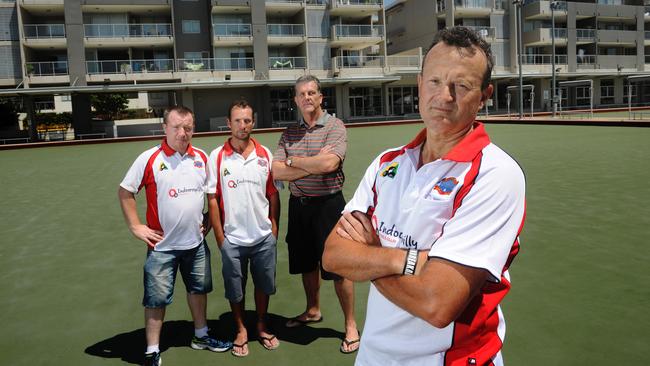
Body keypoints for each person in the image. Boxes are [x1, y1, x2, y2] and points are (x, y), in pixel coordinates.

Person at [323, 26, 526, 365]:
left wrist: (367, 254)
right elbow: (332, 255)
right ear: (419, 83)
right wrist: (406, 259)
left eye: (461, 85)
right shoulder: (387, 163)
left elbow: (436, 303)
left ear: (485, 94)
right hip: (373, 356)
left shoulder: (495, 174)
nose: (444, 96)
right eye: (434, 81)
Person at [118, 106, 232, 366]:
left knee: (198, 290)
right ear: (164, 128)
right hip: (162, 247)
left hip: (196, 243)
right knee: (156, 299)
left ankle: (201, 336)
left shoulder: (201, 157)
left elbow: (212, 196)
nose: (183, 133)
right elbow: (125, 192)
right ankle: (152, 350)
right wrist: (136, 226)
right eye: (177, 127)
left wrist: (208, 223)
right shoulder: (149, 158)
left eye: (188, 128)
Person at [272, 75, 360, 353]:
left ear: (321, 97)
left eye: (312, 93)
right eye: (302, 94)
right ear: (296, 100)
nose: (307, 97)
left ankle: (350, 325)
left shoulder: (335, 127)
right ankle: (313, 310)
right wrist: (314, 164)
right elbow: (276, 171)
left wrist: (294, 161)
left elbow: (331, 162)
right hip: (299, 207)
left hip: (329, 206)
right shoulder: (288, 133)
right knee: (306, 263)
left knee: (339, 267)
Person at [207, 99, 281, 357]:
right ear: (229, 124)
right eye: (237, 121)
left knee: (264, 284)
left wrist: (273, 230)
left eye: (247, 120)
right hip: (232, 239)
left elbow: (273, 195)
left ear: (253, 122)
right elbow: (213, 198)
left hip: (263, 237)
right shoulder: (217, 156)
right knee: (235, 287)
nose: (242, 125)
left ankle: (261, 325)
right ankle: (240, 329)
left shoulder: (265, 154)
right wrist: (220, 237)